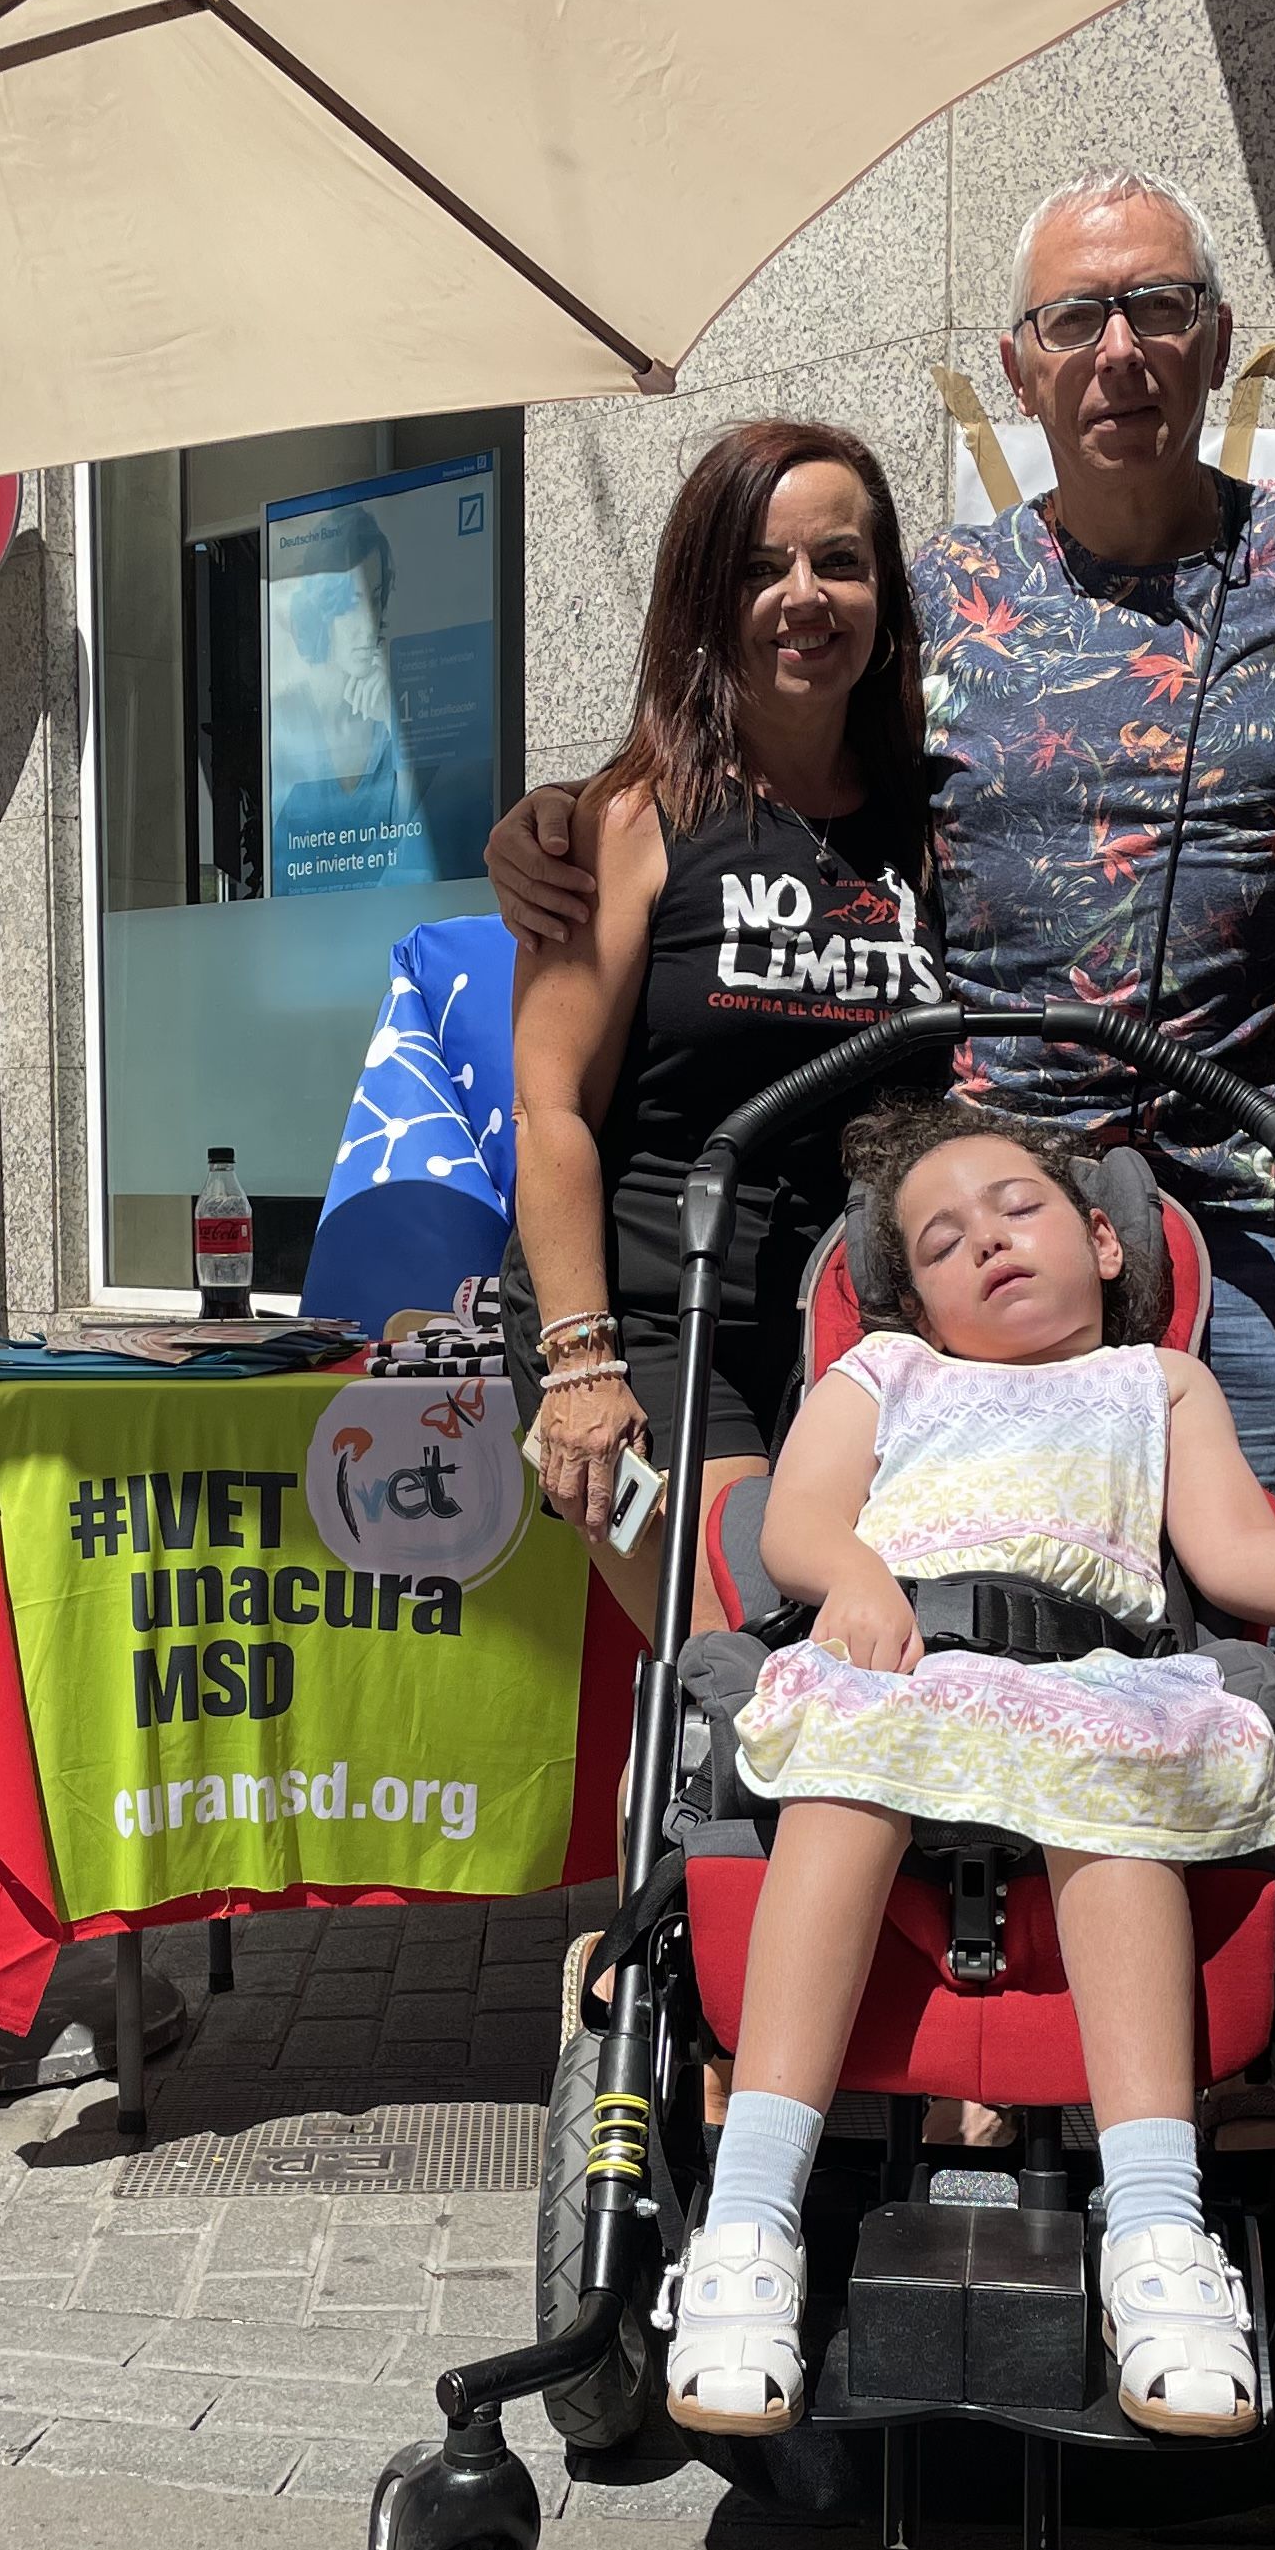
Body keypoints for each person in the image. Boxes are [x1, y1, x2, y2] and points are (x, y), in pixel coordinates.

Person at [494, 171, 1275, 1511]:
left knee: (1256, 1648)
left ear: (1219, 341)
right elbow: (765, 743)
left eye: (1158, 308)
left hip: (1247, 1212)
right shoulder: (939, 599)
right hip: (983, 1234)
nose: (1120, 351)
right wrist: (553, 815)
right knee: (981, 1631)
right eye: (1075, 318)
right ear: (1018, 370)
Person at [668, 1102, 1275, 2441]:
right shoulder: (889, 1378)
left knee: (1120, 1782)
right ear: (909, 1298)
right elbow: (794, 1518)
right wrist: (854, 1576)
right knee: (847, 1766)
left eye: (1018, 1210)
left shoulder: (1160, 1384)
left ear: (1102, 1239)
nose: (989, 1244)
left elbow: (1234, 1558)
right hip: (911, 1646)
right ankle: (749, 2217)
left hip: (1094, 1676)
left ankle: (1157, 2231)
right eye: (944, 1241)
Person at [506, 418, 947, 1637]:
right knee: (744, 1662)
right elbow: (549, 1108)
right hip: (651, 1324)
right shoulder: (628, 821)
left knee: (885, 1671)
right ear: (707, 596)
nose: (804, 598)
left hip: (859, 1334)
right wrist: (581, 1364)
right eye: (762, 568)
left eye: (840, 563)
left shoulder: (927, 824)